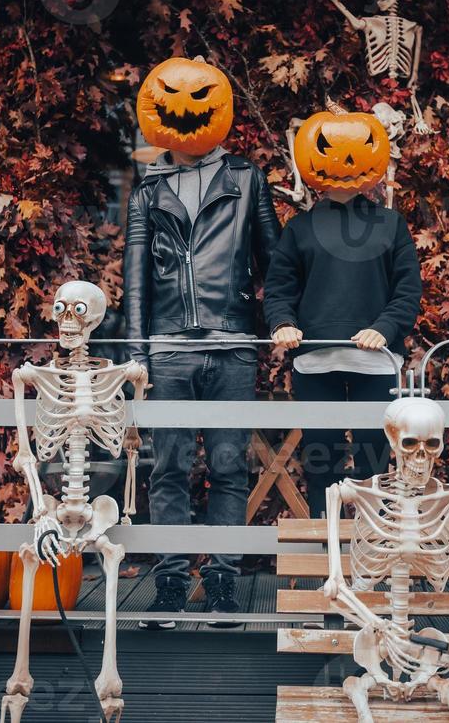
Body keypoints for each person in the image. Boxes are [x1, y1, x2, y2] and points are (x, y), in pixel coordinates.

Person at [124, 56, 280, 626]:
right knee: (166, 467)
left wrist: (277, 323)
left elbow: (276, 262)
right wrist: (136, 356)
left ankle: (221, 583)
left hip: (234, 343)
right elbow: (135, 281)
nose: (186, 108)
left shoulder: (245, 178)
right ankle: (168, 582)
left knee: (228, 467)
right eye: (171, 97)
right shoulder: (146, 193)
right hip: (167, 349)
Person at [263, 108, 422, 517]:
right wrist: (283, 323)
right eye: (329, 149)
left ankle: (374, 550)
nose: (344, 160)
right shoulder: (298, 229)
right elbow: (279, 288)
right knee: (322, 467)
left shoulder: (391, 224)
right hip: (316, 362)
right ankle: (324, 555)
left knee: (376, 467)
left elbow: (407, 291)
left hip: (377, 363)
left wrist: (384, 328)